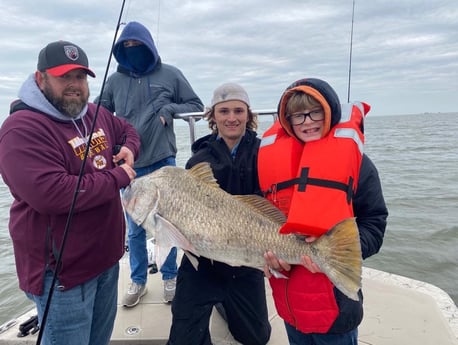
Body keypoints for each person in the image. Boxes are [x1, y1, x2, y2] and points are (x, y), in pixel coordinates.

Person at [0, 40, 140, 345]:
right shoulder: (21, 129)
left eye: (80, 77)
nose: (74, 85)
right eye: (64, 77)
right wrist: (118, 176)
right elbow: (53, 194)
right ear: (40, 78)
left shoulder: (94, 113)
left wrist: (129, 148)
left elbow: (126, 129)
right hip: (62, 275)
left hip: (106, 259)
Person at [259, 78, 388, 345]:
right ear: (287, 121)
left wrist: (339, 251)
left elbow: (374, 223)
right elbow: (260, 220)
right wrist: (268, 258)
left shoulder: (359, 165)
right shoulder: (269, 164)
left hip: (336, 308)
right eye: (297, 116)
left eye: (315, 112)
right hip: (290, 304)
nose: (307, 121)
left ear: (329, 112)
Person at [95, 21, 204, 306]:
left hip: (163, 162)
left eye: (138, 47)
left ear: (149, 47)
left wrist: (170, 108)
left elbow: (196, 105)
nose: (133, 51)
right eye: (127, 47)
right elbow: (98, 114)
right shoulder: (114, 81)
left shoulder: (170, 74)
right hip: (128, 166)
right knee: (134, 228)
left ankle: (170, 276)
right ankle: (138, 279)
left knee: (167, 225)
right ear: (120, 50)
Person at [167, 83, 272, 345]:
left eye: (238, 110)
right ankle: (211, 299)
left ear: (249, 115)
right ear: (213, 116)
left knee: (256, 337)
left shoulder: (267, 154)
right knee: (183, 339)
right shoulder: (198, 160)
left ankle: (225, 303)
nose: (232, 118)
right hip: (203, 263)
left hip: (246, 261)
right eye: (224, 111)